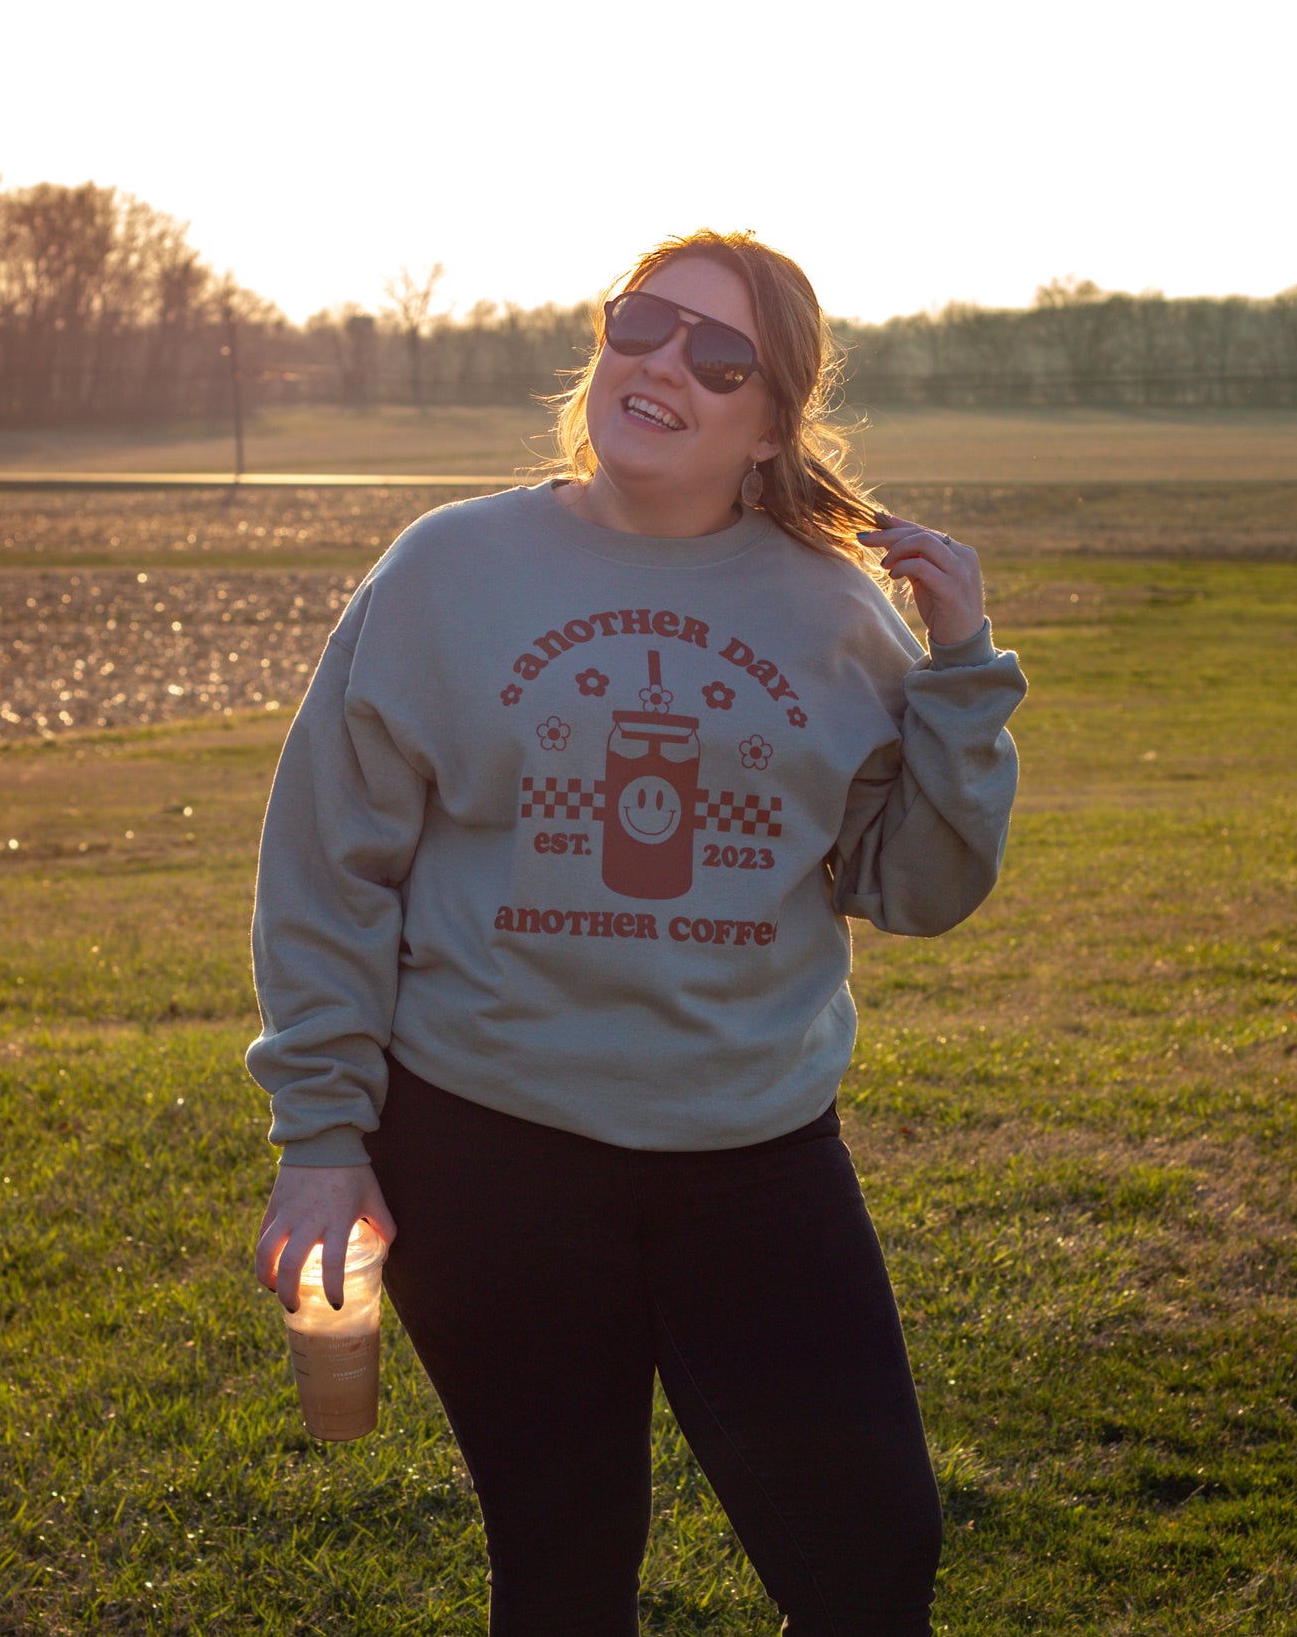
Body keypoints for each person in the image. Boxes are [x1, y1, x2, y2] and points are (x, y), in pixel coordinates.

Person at [248, 229, 1027, 1637]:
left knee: (870, 1562)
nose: (661, 362)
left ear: (770, 420)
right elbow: (327, 867)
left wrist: (961, 668)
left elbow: (912, 886)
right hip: (489, 1149)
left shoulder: (837, 612)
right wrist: (320, 1139)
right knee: (561, 1563)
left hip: (754, 1154)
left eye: (716, 355)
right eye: (642, 322)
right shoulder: (445, 570)